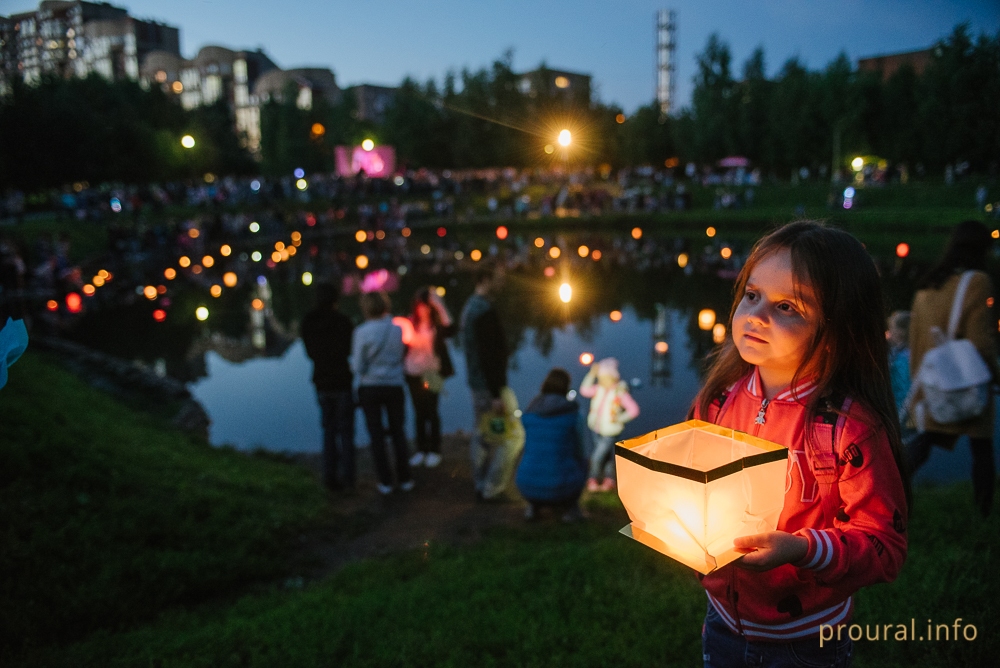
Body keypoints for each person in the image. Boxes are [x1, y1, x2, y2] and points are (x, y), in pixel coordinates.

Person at [690, 221, 908, 667]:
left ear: (836, 329)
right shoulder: (717, 401)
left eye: (787, 305)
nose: (755, 315)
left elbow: (884, 546)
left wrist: (802, 549)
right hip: (722, 622)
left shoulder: (847, 429)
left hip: (807, 638)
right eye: (751, 295)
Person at [906, 220, 998, 517]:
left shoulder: (927, 286)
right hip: (966, 379)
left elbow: (917, 341)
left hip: (932, 382)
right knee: (981, 448)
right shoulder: (978, 282)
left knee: (922, 443)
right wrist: (995, 374)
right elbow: (982, 342)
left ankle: (886, 501)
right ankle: (983, 513)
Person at [351, 290, 414, 495]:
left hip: (370, 388)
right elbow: (403, 355)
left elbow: (358, 366)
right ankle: (405, 478)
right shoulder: (397, 330)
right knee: (398, 431)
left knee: (376, 434)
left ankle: (385, 481)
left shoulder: (361, 332)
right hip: (395, 385)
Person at [460, 266, 513, 501]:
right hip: (488, 388)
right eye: (498, 279)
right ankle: (492, 487)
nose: (502, 283)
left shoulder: (471, 306)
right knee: (508, 437)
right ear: (485, 278)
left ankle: (482, 484)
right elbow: (489, 354)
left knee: (483, 432)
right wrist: (496, 394)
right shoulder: (482, 311)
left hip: (480, 384)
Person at [301, 281, 356, 491]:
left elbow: (310, 353)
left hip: (321, 381)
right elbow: (349, 350)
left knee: (328, 429)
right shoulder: (343, 321)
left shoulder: (308, 321)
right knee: (346, 431)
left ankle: (330, 478)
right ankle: (349, 479)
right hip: (342, 380)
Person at [516, 368, 588, 522]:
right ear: (566, 387)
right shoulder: (573, 414)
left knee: (535, 453)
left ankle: (532, 507)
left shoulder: (529, 413)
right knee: (584, 462)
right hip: (561, 488)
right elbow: (580, 450)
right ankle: (570, 510)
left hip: (526, 486)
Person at [403, 287, 457, 469]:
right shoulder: (409, 324)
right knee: (419, 412)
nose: (424, 310)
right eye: (421, 306)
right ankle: (421, 450)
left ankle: (435, 450)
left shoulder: (437, 326)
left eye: (427, 306)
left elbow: (451, 329)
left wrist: (439, 305)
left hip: (432, 373)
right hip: (413, 374)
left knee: (432, 411)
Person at [579, 357, 639, 492]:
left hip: (611, 432)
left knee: (596, 456)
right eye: (600, 377)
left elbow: (634, 410)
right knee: (605, 457)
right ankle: (609, 479)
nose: (601, 380)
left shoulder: (620, 392)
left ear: (612, 377)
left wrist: (619, 418)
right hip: (597, 428)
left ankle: (592, 479)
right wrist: (591, 374)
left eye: (603, 377)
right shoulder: (598, 389)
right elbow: (584, 390)